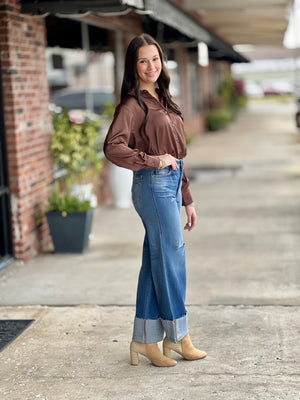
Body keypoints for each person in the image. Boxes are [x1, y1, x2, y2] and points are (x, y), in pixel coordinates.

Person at [104, 33, 207, 367]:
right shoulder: (133, 105)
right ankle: (178, 337)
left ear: (162, 62)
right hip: (153, 186)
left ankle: (144, 341)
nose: (151, 66)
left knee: (155, 262)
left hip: (172, 186)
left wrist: (187, 199)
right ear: (133, 66)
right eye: (143, 60)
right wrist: (152, 160)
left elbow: (177, 156)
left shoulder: (164, 98)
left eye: (155, 59)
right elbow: (113, 146)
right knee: (172, 259)